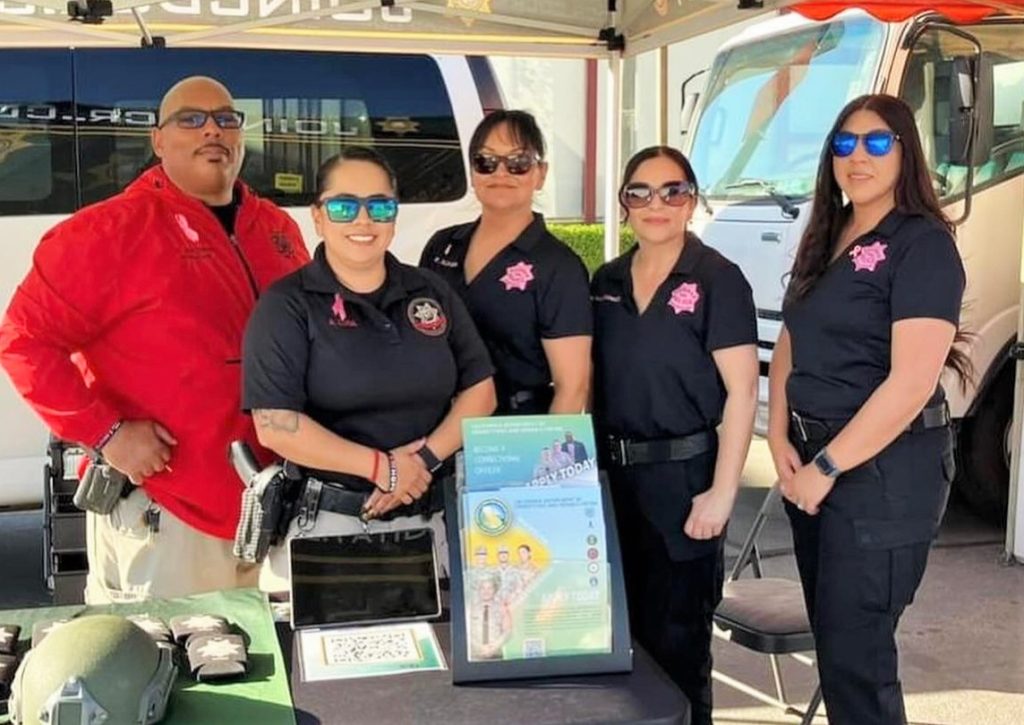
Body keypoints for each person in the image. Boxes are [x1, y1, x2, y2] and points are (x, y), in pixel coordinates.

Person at [0, 76, 308, 604]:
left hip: (276, 510)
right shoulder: (108, 231)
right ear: (158, 141)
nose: (212, 129)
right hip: (169, 515)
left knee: (278, 680)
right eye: (191, 119)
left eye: (225, 119)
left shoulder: (276, 227)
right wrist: (107, 433)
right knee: (171, 679)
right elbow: (23, 341)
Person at [767, 94, 967, 725]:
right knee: (837, 651)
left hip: (881, 476)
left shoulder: (923, 244)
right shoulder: (829, 234)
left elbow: (911, 382)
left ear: (905, 152)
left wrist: (824, 468)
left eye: (877, 142)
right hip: (813, 465)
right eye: (845, 143)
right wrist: (777, 440)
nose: (858, 156)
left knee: (858, 664)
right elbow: (790, 342)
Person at [242, 147, 497, 592]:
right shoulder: (287, 305)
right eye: (344, 207)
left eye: (380, 206)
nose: (364, 221)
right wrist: (380, 467)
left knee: (438, 660)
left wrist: (421, 460)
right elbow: (275, 426)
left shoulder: (430, 289)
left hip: (432, 525)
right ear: (318, 217)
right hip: (328, 529)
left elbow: (480, 390)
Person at [591, 146, 758, 725]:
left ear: (692, 200)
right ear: (624, 204)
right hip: (611, 482)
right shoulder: (605, 281)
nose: (656, 204)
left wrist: (722, 493)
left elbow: (743, 392)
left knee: (680, 647)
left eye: (672, 191)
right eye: (640, 192)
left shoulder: (718, 279)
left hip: (684, 481)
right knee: (620, 643)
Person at [419, 110, 592, 415]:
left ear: (541, 173)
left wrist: (547, 459)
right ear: (472, 172)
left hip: (515, 433)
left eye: (518, 163)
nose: (501, 173)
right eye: (486, 161)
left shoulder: (558, 266)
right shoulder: (441, 246)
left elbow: (572, 387)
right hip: (439, 425)